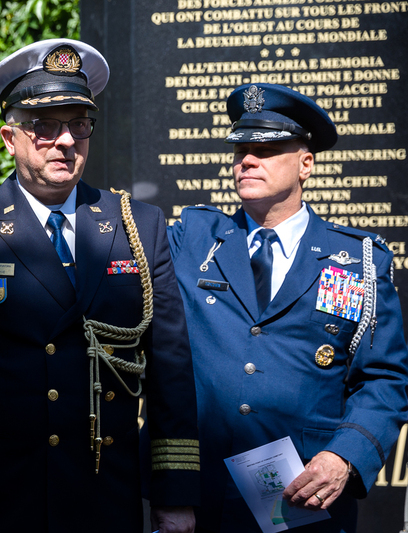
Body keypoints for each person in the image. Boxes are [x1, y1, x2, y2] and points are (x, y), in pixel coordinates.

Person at [0, 39, 200, 533]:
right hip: (4, 497)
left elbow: (170, 369)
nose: (65, 141)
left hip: (106, 495)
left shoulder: (137, 224)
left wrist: (174, 496)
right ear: (9, 137)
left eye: (79, 124)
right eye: (44, 126)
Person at [167, 83, 408, 532]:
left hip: (305, 501)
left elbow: (384, 379)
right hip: (200, 500)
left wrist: (344, 457)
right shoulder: (195, 238)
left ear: (306, 163)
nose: (247, 160)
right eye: (241, 148)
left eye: (268, 148)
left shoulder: (358, 260)